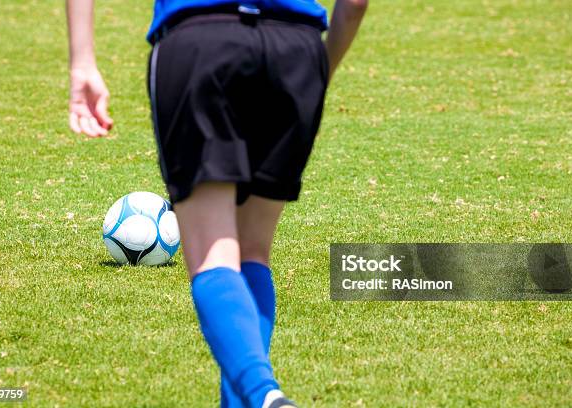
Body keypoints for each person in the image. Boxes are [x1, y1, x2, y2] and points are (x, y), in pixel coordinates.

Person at [66, 0, 367, 406]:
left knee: (215, 254)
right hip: (295, 48)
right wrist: (316, 72)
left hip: (201, 40)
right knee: (253, 252)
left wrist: (82, 60)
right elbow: (355, 4)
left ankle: (265, 395)